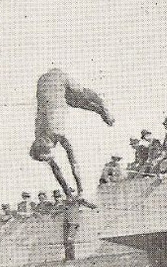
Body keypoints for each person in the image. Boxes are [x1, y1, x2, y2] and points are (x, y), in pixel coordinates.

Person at [29, 68, 114, 205]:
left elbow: (73, 162)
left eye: (49, 157)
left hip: (58, 78)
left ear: (48, 147)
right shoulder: (39, 138)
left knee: (79, 93)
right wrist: (68, 194)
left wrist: (81, 191)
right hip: (45, 86)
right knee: (72, 102)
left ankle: (102, 105)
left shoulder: (57, 132)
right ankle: (98, 109)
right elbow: (55, 168)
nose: (51, 160)